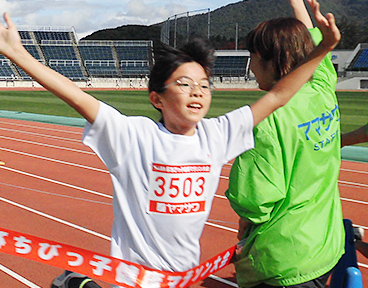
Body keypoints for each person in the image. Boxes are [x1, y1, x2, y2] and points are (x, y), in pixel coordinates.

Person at [0, 1, 340, 287]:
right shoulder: (133, 137)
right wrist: (19, 55)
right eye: (183, 83)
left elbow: (281, 94)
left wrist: (323, 48)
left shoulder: (218, 134)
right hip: (134, 277)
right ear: (157, 98)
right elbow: (78, 98)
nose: (196, 91)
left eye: (204, 85)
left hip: (183, 275)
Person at [225, 0, 344, 287]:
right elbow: (314, 46)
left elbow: (254, 201)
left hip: (282, 262)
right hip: (326, 246)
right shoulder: (323, 88)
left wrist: (245, 221)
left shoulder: (267, 120)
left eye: (253, 55)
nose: (250, 64)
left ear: (277, 59)